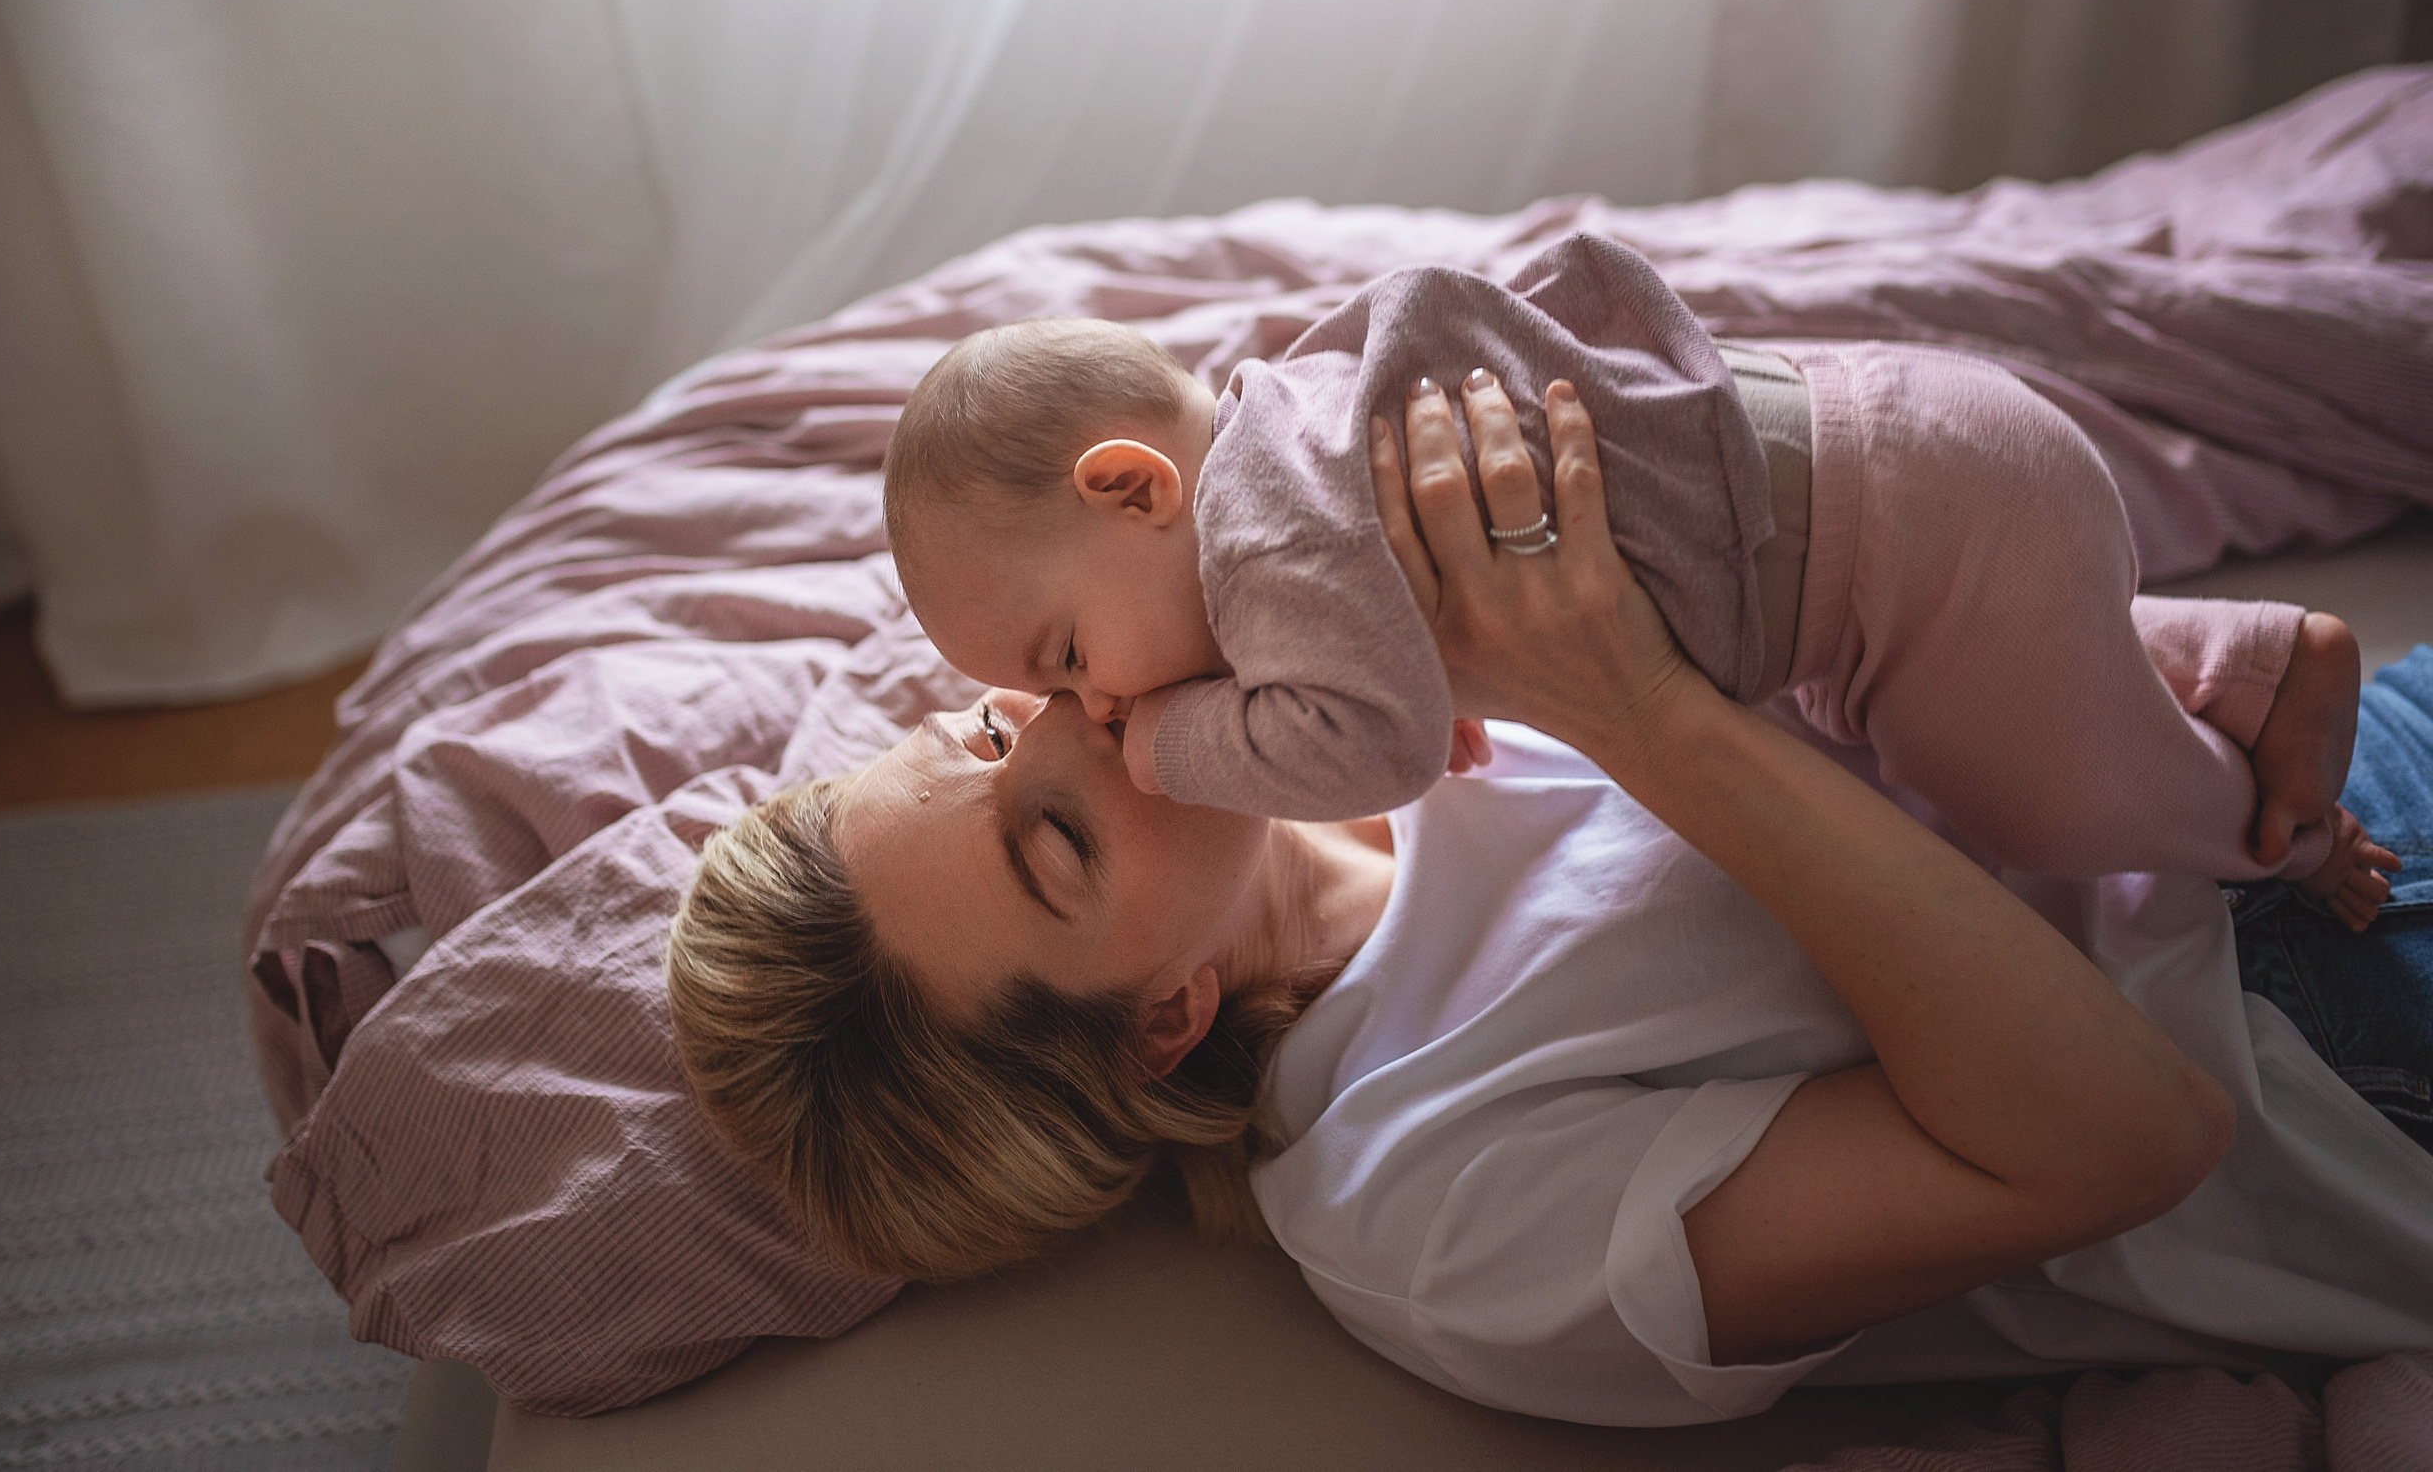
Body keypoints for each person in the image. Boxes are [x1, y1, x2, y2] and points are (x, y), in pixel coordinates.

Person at [668, 377, 2433, 1428]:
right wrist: (1631, 704)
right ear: (1163, 1014)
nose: (1079, 717)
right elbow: (2129, 1134)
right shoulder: (1426, 1205)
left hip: (2279, 764)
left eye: (987, 724)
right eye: (1053, 839)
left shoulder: (1323, 679)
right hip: (2328, 1046)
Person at [880, 235, 2396, 922]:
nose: (1094, 699)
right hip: (1910, 461)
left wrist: (1171, 742)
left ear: (1136, 487)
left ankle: (2278, 832)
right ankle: (2244, 658)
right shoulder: (1289, 432)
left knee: (2046, 804)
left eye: (1067, 648)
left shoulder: (1265, 534)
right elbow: (1405, 663)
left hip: (1902, 547)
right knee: (2042, 668)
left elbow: (1380, 742)